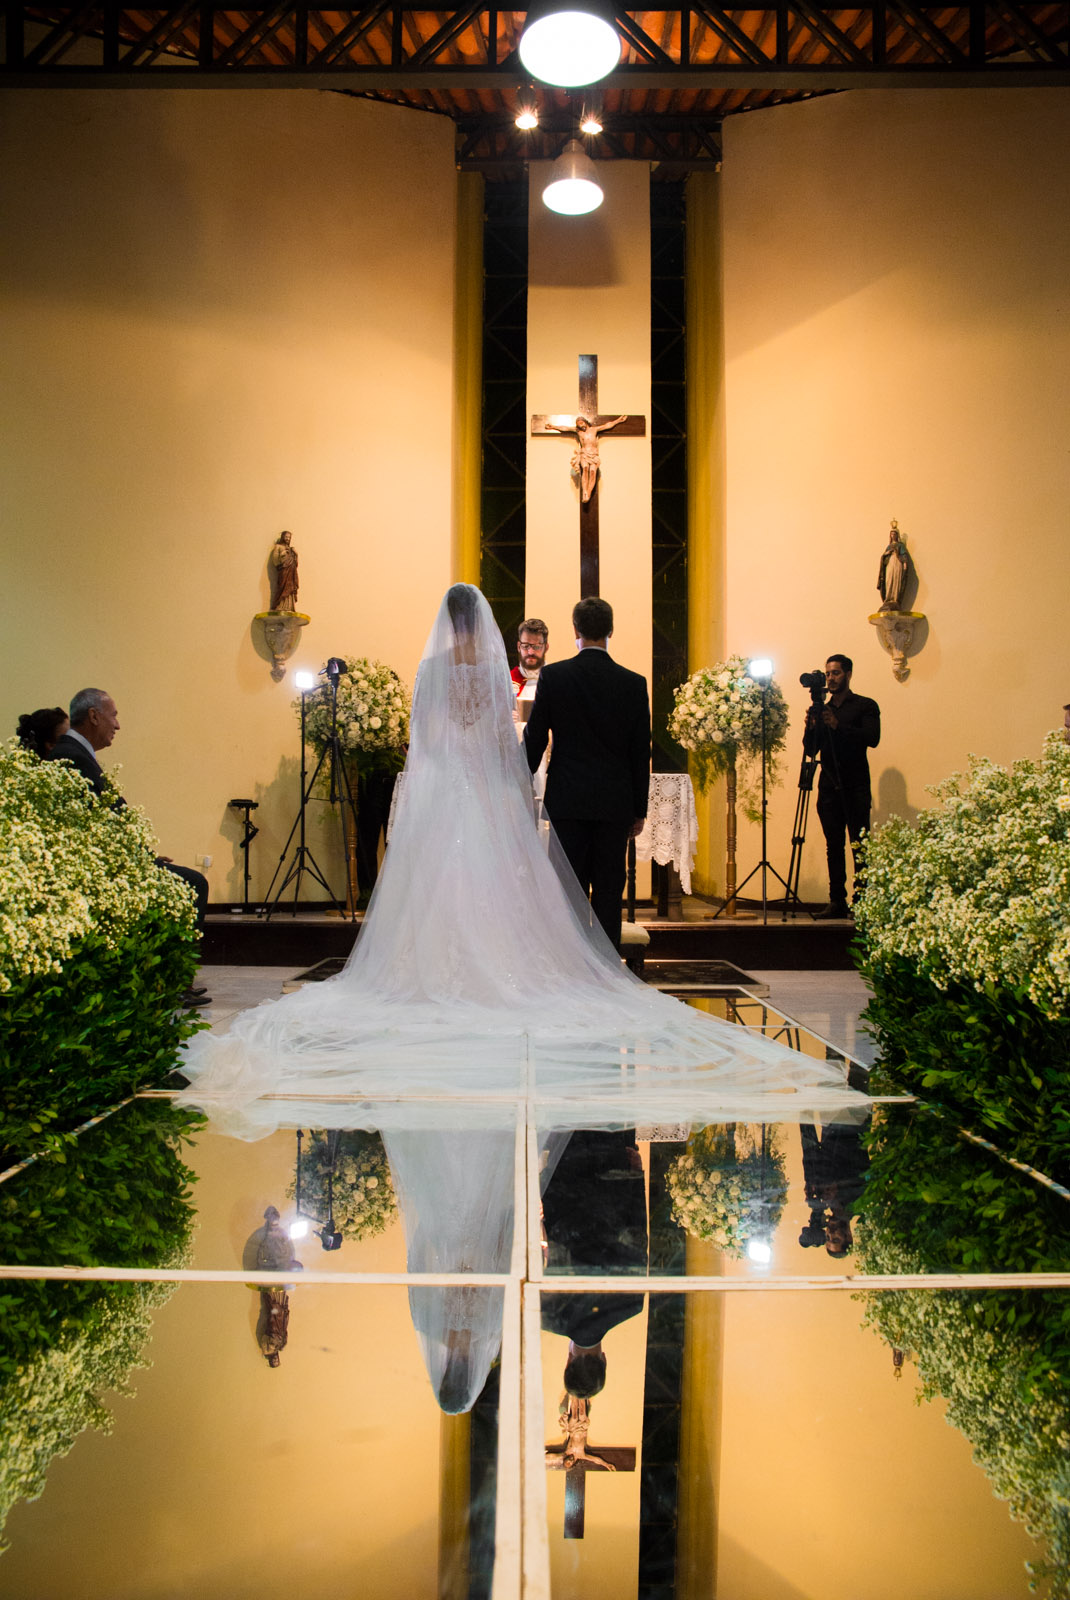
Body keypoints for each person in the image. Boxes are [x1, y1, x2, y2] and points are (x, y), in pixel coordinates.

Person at [46, 687, 210, 1003]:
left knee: (186, 881)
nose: (117, 725)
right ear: (93, 716)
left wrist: (145, 856)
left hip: (115, 862)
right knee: (193, 884)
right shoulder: (70, 756)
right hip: (102, 871)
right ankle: (173, 982)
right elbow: (94, 824)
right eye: (114, 715)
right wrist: (140, 860)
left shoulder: (74, 753)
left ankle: (170, 978)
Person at [523, 596, 648, 953]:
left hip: (567, 802)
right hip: (614, 805)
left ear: (575, 630)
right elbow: (641, 752)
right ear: (611, 630)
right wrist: (639, 809)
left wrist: (517, 778)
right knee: (608, 892)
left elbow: (536, 736)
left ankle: (570, 968)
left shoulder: (555, 676)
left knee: (567, 891)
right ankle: (607, 971)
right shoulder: (633, 684)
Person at [804, 656, 880, 919]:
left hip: (855, 784)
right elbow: (810, 750)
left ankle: (863, 901)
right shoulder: (820, 710)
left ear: (848, 674)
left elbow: (872, 738)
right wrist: (812, 728)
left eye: (835, 673)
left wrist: (838, 725)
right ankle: (837, 900)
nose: (831, 678)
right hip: (829, 786)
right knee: (833, 846)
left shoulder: (864, 706)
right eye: (827, 674)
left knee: (859, 845)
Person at [544, 415, 627, 503]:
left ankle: (589, 492)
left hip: (594, 455)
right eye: (578, 424)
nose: (580, 425)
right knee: (585, 469)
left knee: (592, 472)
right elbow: (565, 428)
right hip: (584, 454)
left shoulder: (594, 429)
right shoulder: (578, 431)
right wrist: (553, 426)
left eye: (581, 423)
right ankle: (585, 493)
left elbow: (606, 425)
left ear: (585, 422)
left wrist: (618, 421)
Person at [877, 520, 908, 610]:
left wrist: (905, 563)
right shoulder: (889, 546)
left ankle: (895, 598)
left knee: (896, 579)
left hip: (897, 562)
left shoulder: (900, 545)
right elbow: (884, 557)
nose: (893, 536)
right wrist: (888, 553)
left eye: (894, 534)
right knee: (889, 579)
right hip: (890, 563)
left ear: (897, 536)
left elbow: (904, 556)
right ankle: (888, 598)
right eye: (891, 534)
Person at [269, 529, 299, 612]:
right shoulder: (278, 546)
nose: (288, 539)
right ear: (283, 537)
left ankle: (289, 606)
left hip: (291, 571)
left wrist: (295, 554)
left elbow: (296, 564)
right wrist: (281, 560)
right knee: (282, 586)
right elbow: (275, 559)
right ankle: (280, 605)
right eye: (286, 537)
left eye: (289, 537)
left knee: (291, 587)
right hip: (283, 570)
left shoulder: (290, 548)